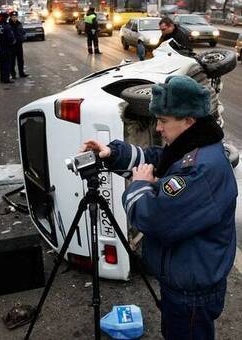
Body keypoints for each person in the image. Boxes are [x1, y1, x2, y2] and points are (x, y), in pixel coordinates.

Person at [80, 75, 237, 340]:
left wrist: (139, 186)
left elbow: (154, 219)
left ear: (189, 120)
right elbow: (159, 160)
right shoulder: (192, 145)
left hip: (191, 291)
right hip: (185, 277)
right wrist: (112, 153)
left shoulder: (200, 170)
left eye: (163, 121)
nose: (158, 128)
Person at [0, 12, 16, 84]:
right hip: (7, 48)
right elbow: (11, 37)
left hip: (0, 48)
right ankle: (6, 79)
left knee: (2, 64)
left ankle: (2, 78)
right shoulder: (7, 27)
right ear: (6, 18)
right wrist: (12, 42)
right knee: (7, 64)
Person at [9, 11, 29, 79]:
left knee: (20, 60)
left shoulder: (19, 24)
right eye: (13, 17)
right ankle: (13, 74)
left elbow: (22, 31)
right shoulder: (8, 25)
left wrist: (23, 36)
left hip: (19, 45)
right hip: (12, 46)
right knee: (12, 61)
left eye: (15, 17)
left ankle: (21, 73)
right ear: (10, 17)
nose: (14, 18)